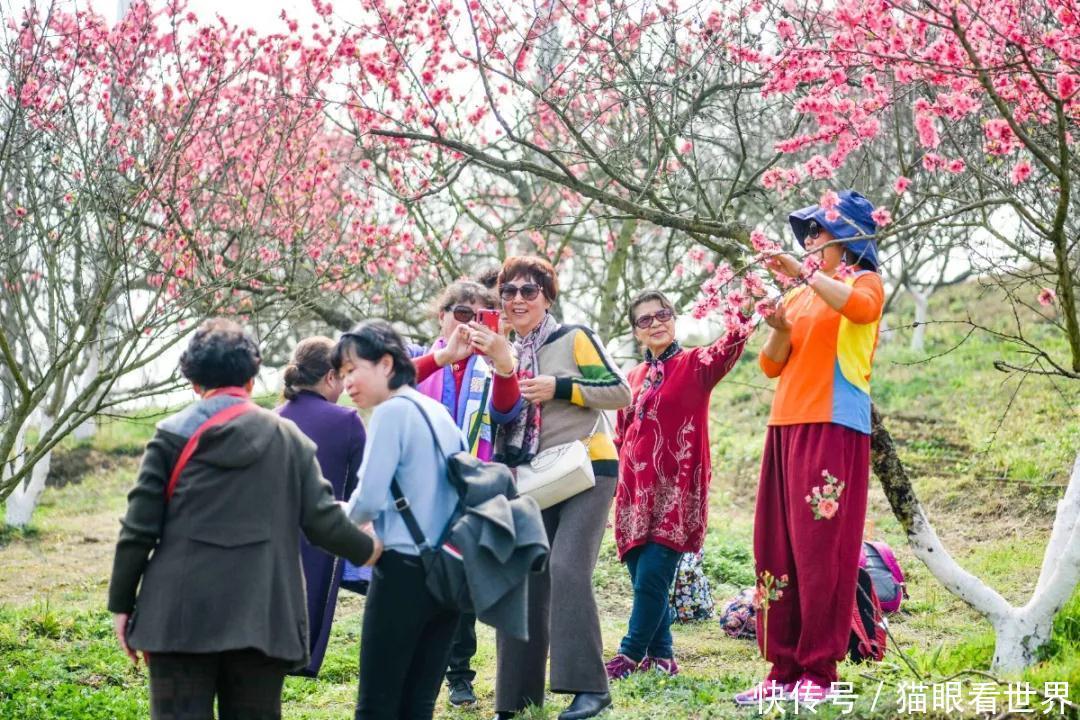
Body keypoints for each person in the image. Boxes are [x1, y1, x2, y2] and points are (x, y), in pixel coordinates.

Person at [108, 318, 380, 720]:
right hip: (263, 617)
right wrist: (373, 549)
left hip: (177, 617)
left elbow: (137, 531)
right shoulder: (289, 439)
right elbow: (323, 522)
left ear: (194, 381)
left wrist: (122, 605)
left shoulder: (170, 435)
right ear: (252, 377)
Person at [736, 190, 885, 705]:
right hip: (784, 426)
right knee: (774, 547)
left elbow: (864, 310)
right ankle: (782, 669)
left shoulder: (862, 283)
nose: (809, 241)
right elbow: (771, 365)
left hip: (833, 424)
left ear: (847, 239)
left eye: (818, 232)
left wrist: (804, 277)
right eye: (808, 234)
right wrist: (777, 329)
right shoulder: (799, 296)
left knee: (821, 551)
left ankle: (819, 672)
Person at [470, 255, 632, 720]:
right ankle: (516, 699)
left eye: (529, 290)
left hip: (588, 468)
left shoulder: (574, 337)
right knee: (524, 578)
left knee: (567, 568)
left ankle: (590, 689)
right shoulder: (503, 353)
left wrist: (561, 387)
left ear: (547, 296)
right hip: (533, 477)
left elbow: (621, 392)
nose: (518, 299)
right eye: (509, 292)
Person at [606, 290, 749, 680]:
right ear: (636, 331)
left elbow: (732, 342)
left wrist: (747, 302)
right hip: (633, 493)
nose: (655, 323)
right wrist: (611, 493)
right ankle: (663, 655)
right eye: (645, 320)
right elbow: (621, 435)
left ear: (674, 318)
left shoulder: (695, 365)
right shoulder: (632, 377)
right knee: (643, 579)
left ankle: (629, 655)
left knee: (653, 575)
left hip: (675, 491)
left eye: (662, 314)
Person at [339, 320, 469, 720]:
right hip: (450, 574)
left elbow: (368, 498)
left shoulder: (391, 413)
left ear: (385, 363)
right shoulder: (440, 414)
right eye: (342, 375)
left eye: (352, 369)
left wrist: (338, 514)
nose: (347, 384)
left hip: (403, 572)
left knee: (377, 703)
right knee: (418, 704)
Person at [408, 280, 516, 707]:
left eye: (482, 315)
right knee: (418, 582)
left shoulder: (495, 365)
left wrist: (504, 364)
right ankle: (420, 671)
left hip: (473, 485)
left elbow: (507, 411)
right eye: (461, 313)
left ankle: (459, 675)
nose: (470, 324)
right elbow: (390, 384)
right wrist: (441, 358)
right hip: (422, 487)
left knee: (461, 580)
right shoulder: (420, 358)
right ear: (442, 316)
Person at [277, 336, 368, 677]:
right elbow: (364, 485)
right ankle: (305, 658)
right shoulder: (346, 421)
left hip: (277, 529)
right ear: (330, 377)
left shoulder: (274, 417)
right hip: (324, 530)